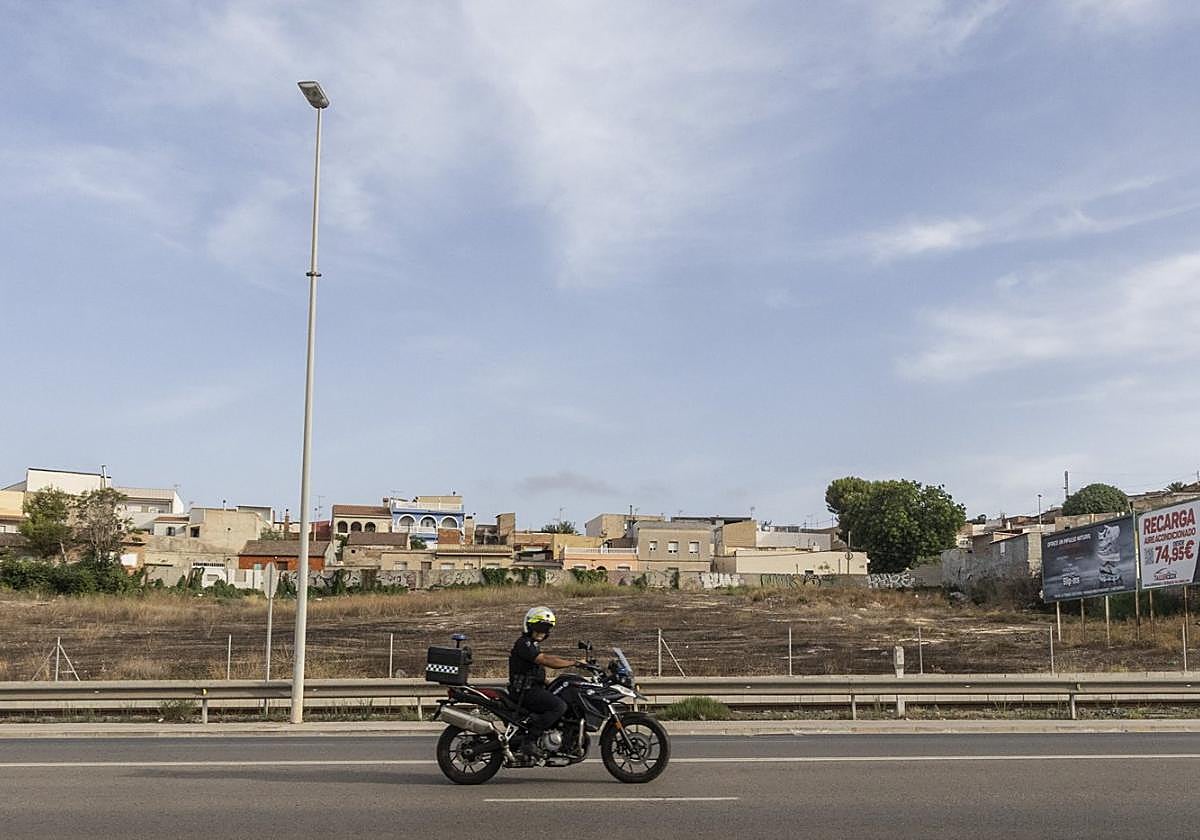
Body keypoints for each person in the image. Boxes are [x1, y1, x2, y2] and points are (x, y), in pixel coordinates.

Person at [508, 606, 586, 753]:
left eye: (545, 629)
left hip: (531, 688)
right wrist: (574, 663)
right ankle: (530, 740)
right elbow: (545, 660)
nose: (542, 632)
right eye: (539, 627)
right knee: (559, 706)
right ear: (529, 626)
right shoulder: (524, 643)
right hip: (525, 691)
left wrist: (548, 682)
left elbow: (530, 670)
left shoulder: (532, 645)